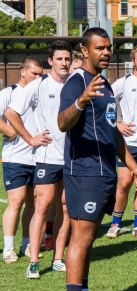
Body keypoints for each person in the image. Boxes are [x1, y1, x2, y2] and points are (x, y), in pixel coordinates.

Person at [58, 27, 137, 291]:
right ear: (85, 51)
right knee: (80, 239)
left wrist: (134, 167)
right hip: (84, 172)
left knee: (89, 240)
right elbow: (62, 122)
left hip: (104, 173)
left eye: (109, 47)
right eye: (100, 48)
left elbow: (112, 132)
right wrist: (81, 100)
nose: (106, 52)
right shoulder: (77, 82)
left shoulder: (105, 84)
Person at [4, 40, 72, 277]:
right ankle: (33, 261)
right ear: (50, 62)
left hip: (72, 158)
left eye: (67, 58)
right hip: (46, 157)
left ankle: (58, 258)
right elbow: (10, 113)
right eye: (60, 59)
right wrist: (30, 138)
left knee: (64, 207)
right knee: (42, 206)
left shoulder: (76, 84)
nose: (64, 63)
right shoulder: (39, 85)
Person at [106, 45, 137, 239]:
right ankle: (115, 223)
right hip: (127, 143)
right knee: (124, 184)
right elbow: (104, 103)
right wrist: (117, 124)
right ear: (133, 62)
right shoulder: (123, 82)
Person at [0, 57, 43, 263]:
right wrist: (10, 131)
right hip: (15, 157)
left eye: (40, 74)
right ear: (23, 71)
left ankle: (27, 244)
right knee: (15, 202)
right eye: (34, 73)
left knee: (33, 204)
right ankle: (8, 249)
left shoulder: (41, 92)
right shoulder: (8, 93)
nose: (38, 77)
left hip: (39, 158)